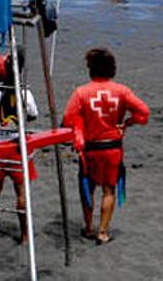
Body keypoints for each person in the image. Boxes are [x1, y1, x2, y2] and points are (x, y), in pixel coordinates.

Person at [62, 48, 149, 244]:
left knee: (87, 187)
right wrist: (127, 123)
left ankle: (88, 226)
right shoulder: (122, 91)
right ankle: (103, 231)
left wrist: (80, 129)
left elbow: (68, 119)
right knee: (109, 190)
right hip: (112, 148)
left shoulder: (81, 92)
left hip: (90, 149)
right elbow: (144, 112)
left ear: (91, 69)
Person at [0, 48, 39, 244]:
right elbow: (33, 115)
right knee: (21, 190)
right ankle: (25, 236)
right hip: (16, 146)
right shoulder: (24, 94)